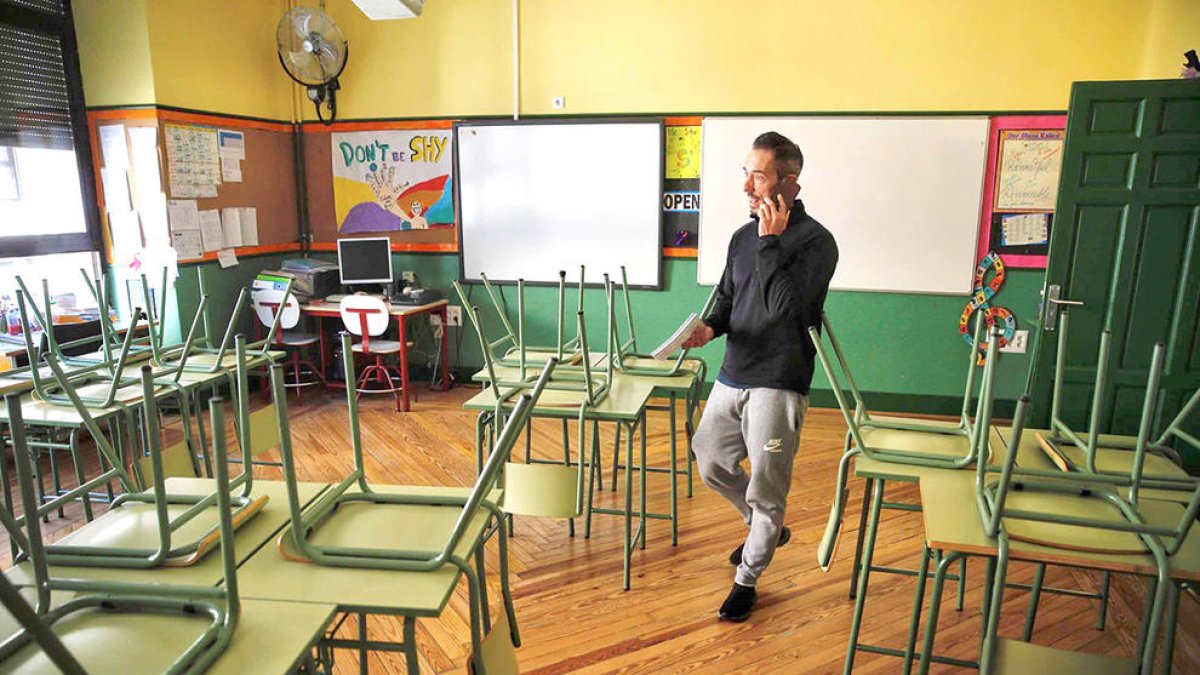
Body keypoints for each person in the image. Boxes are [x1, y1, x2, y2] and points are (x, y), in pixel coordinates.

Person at [682, 131, 838, 622]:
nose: (747, 186)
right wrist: (711, 326)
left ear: (789, 182)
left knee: (768, 491)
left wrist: (771, 242)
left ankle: (746, 579)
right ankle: (760, 527)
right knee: (708, 460)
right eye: (745, 172)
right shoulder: (741, 238)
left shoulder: (816, 243)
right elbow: (731, 298)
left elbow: (785, 311)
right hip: (733, 374)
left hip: (780, 379)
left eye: (759, 175)